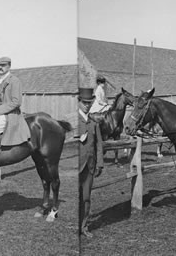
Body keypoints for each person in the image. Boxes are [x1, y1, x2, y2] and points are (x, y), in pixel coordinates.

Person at [0, 57, 31, 165]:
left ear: (9, 66)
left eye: (3, 65)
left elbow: (16, 102)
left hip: (9, 114)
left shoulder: (14, 81)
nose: (0, 67)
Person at [78, 87, 104, 238]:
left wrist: (100, 163)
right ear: (79, 102)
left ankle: (84, 226)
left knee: (86, 198)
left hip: (89, 167)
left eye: (89, 102)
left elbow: (99, 145)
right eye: (84, 102)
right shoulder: (75, 121)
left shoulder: (94, 123)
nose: (87, 105)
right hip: (77, 167)